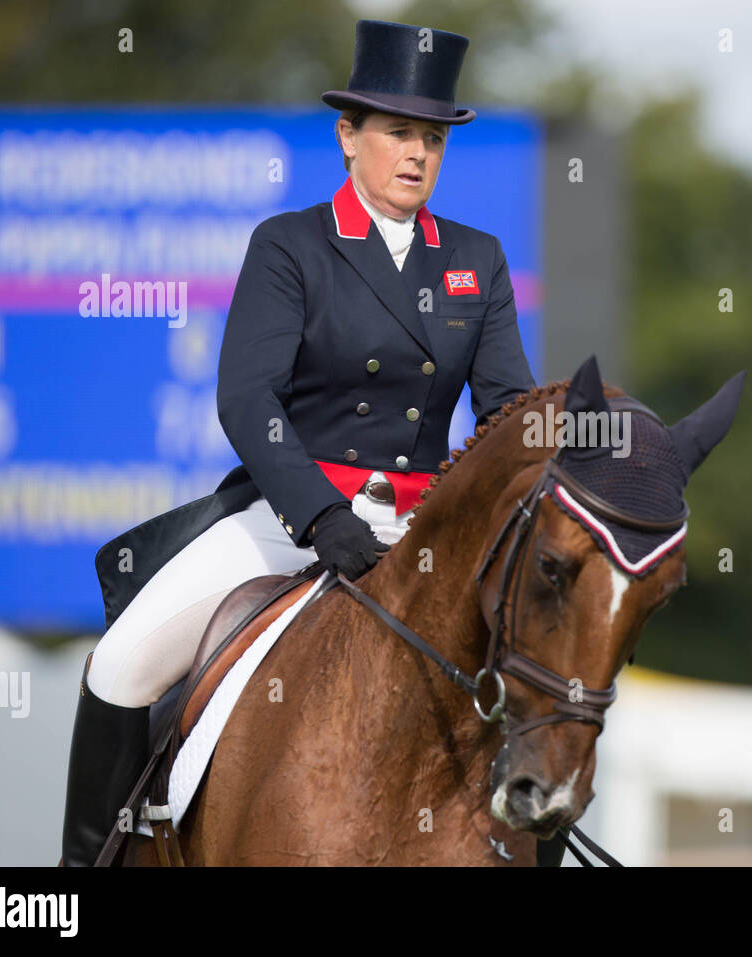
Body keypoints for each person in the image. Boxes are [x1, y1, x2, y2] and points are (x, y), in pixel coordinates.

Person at [60, 18, 536, 866]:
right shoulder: (291, 245)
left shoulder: (477, 260)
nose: (417, 153)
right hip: (290, 518)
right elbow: (247, 397)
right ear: (348, 136)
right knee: (121, 666)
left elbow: (504, 417)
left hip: (427, 533)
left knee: (547, 689)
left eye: (432, 136)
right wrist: (321, 517)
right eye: (397, 132)